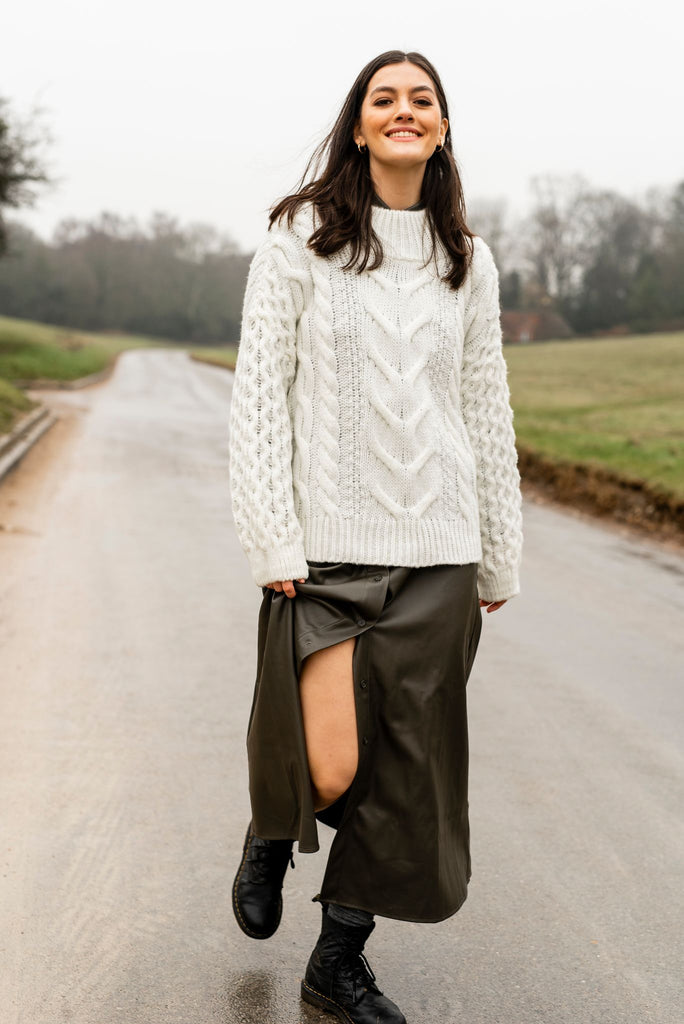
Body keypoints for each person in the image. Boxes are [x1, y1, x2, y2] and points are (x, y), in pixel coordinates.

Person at [227, 49, 523, 1024]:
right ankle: (275, 821)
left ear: (440, 127)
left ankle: (338, 960)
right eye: (383, 99)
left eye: (422, 99)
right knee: (331, 766)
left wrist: (498, 548)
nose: (404, 111)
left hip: (440, 553)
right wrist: (273, 536)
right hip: (329, 553)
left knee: (404, 771)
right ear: (359, 125)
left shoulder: (466, 261)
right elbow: (259, 395)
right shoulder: (299, 237)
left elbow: (485, 408)